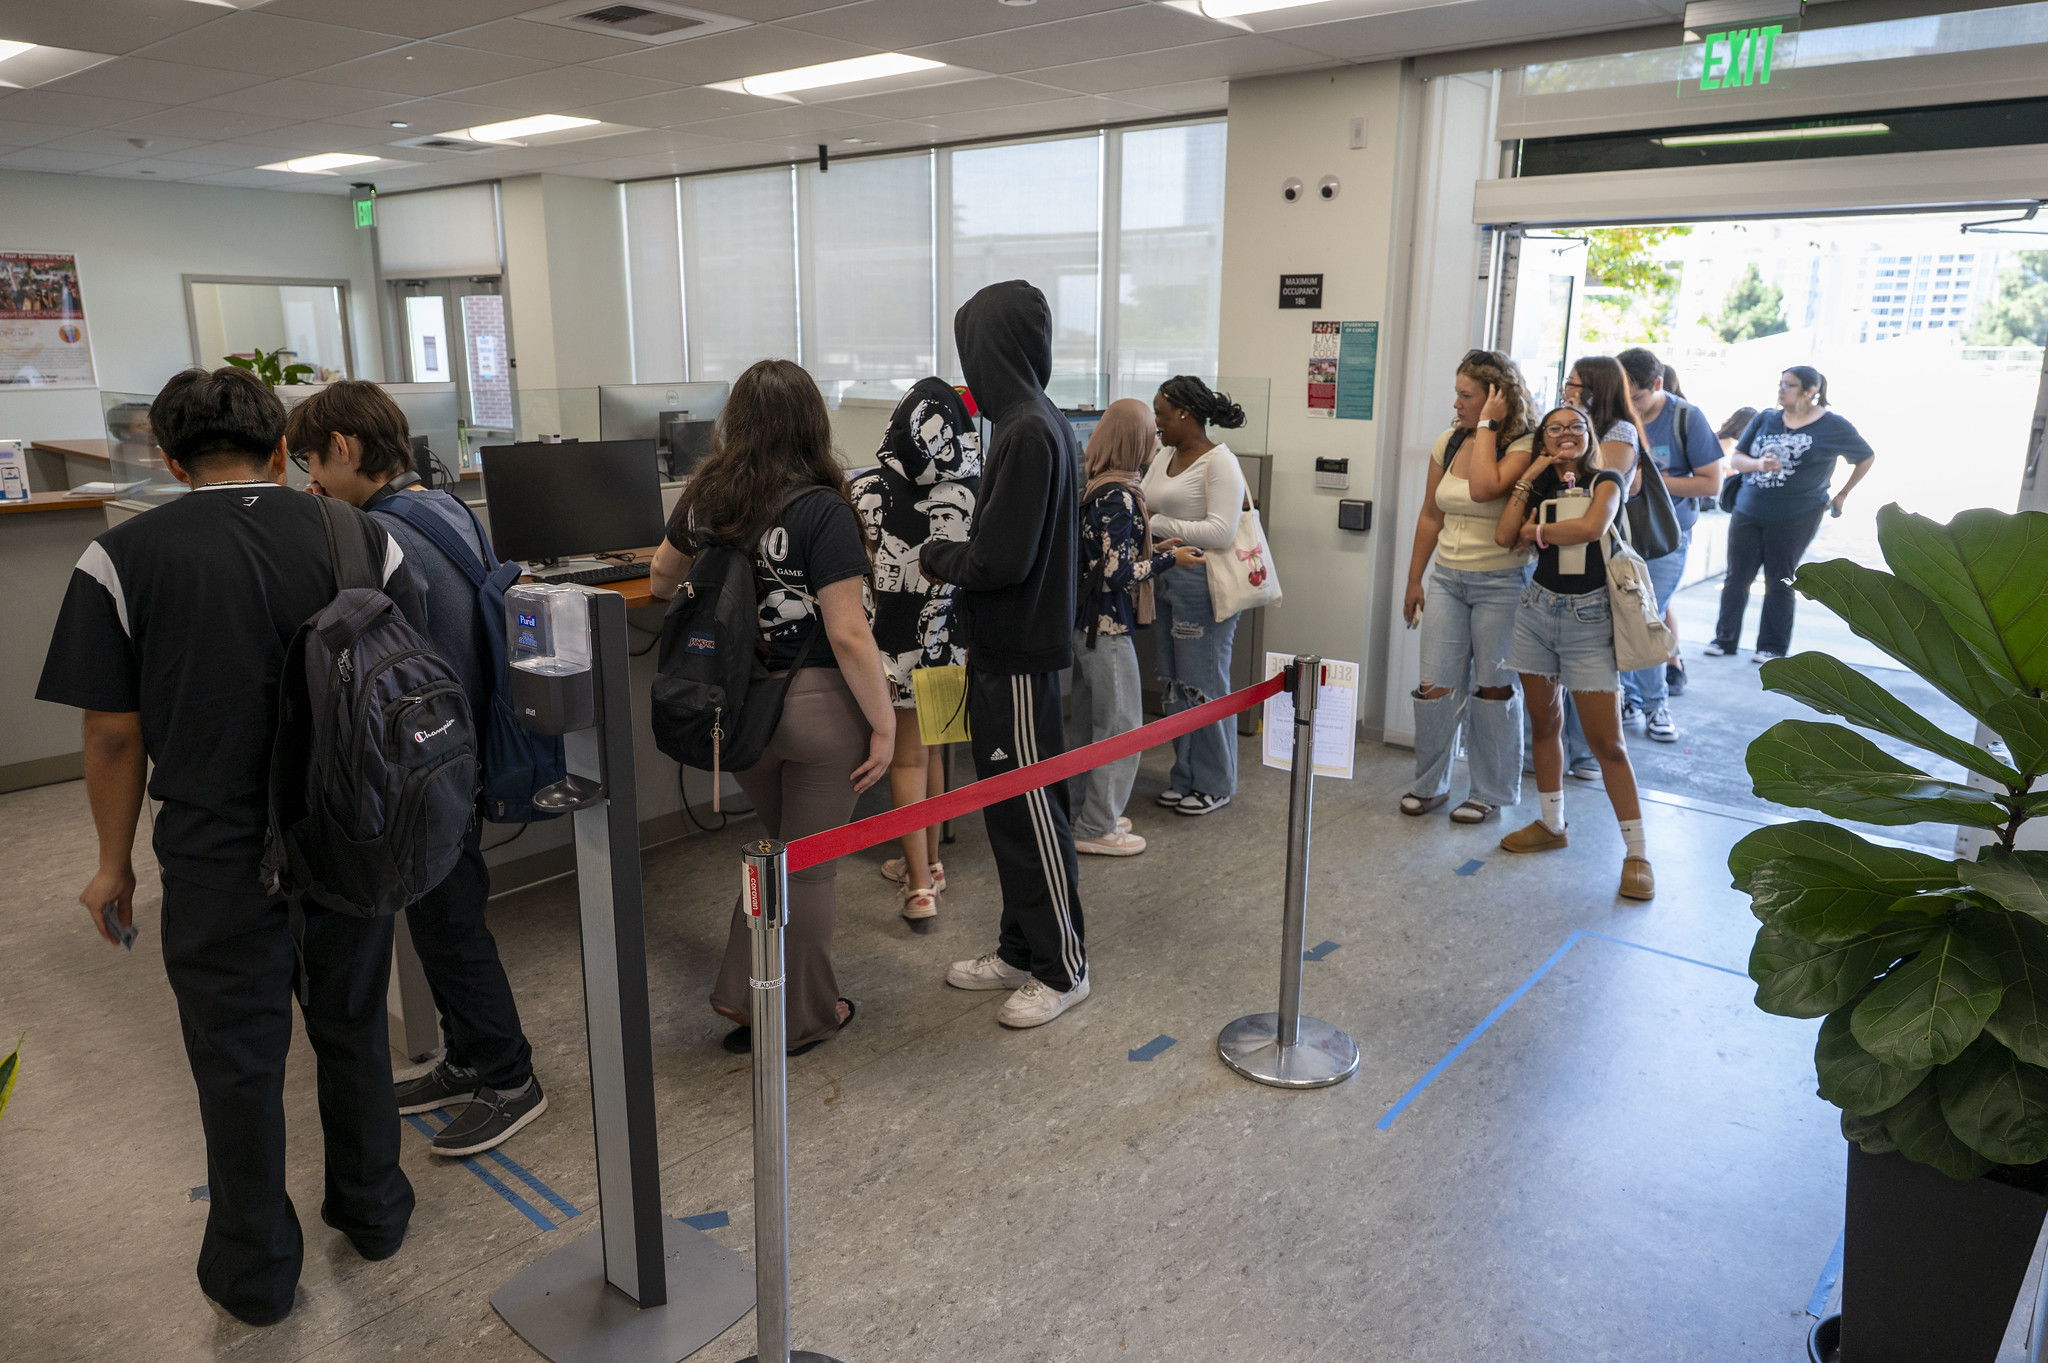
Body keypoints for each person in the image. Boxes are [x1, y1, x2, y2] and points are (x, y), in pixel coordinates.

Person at [37, 367, 424, 1325]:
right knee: (352, 1024)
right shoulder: (363, 535)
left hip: (214, 848)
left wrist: (113, 861)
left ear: (168, 459)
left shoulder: (120, 557)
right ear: (282, 447)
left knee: (237, 1059)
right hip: (348, 830)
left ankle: (256, 1273)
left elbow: (114, 734)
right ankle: (375, 1211)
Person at [284, 381, 546, 1157]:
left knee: (452, 921)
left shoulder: (372, 535)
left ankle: (510, 1076)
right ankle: (468, 1053)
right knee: (442, 915)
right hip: (461, 744)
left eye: (312, 461)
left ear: (344, 446)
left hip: (427, 759)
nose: (310, 482)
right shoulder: (443, 506)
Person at [648, 359, 894, 1054]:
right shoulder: (823, 508)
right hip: (818, 708)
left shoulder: (707, 494)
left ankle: (753, 996)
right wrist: (883, 720)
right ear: (812, 423)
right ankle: (800, 1017)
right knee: (807, 867)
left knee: (778, 857)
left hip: (743, 712)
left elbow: (663, 579)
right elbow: (848, 632)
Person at [921, 279, 1090, 1029]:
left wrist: (940, 556)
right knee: (1011, 815)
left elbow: (1000, 560)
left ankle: (1063, 967)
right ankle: (1021, 949)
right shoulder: (1034, 423)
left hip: (1018, 653)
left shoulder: (1026, 430)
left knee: (1032, 814)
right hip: (1008, 649)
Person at [1493, 405, 1654, 902]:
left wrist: (1535, 533)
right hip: (1537, 613)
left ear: (1590, 434)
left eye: (1574, 427)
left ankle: (1637, 854)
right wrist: (1533, 474)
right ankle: (1551, 823)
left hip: (1590, 620)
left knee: (1608, 745)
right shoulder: (1540, 484)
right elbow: (1504, 536)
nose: (1565, 434)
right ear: (1543, 438)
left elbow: (1589, 528)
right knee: (1544, 725)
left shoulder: (1608, 477)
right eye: (1554, 429)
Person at [847, 378, 981, 920]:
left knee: (907, 758)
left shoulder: (862, 490)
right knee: (934, 752)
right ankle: (928, 861)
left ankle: (919, 885)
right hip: (949, 645)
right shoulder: (973, 492)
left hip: (890, 649)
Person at [1400, 349, 1538, 823]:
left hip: (1502, 583)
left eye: (1467, 395)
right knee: (1435, 686)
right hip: (1447, 580)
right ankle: (1430, 785)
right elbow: (1430, 514)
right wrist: (1414, 578)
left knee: (1493, 689)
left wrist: (1488, 427)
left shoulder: (1524, 444)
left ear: (1496, 398)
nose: (1456, 403)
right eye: (1456, 394)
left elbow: (1484, 489)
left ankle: (1490, 792)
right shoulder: (1448, 442)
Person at [1070, 398, 1204, 856]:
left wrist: (1150, 545)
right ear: (1132, 439)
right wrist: (1170, 559)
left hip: (1086, 625)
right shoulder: (1120, 495)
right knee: (1122, 727)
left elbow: (1108, 555)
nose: (1155, 439)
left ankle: (1086, 812)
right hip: (1104, 629)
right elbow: (1115, 574)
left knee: (1092, 725)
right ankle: (1096, 826)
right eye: (1149, 432)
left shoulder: (1099, 485)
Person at [1708, 367, 1876, 662]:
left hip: (1796, 514)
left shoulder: (1832, 425)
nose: (1781, 389)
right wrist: (1759, 464)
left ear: (1811, 391)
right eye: (1780, 383)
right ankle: (1724, 640)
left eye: (1790, 385)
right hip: (1748, 508)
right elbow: (1736, 457)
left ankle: (1771, 647)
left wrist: (1842, 493)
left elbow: (1865, 457)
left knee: (1779, 579)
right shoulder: (1765, 418)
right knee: (1737, 576)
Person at [1145, 375, 1250, 817]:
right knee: (1173, 684)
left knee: (1203, 684)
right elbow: (1144, 501)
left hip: (1203, 587)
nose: (1157, 424)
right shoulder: (1165, 454)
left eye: (1162, 415)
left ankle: (1215, 781)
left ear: (1185, 414)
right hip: (1167, 579)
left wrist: (1158, 526)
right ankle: (1184, 773)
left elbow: (1220, 532)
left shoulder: (1219, 463)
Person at [1614, 347, 1723, 737]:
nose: (1631, 406)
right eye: (1624, 397)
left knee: (1645, 618)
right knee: (1620, 617)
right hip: (1618, 535)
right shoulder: (1614, 412)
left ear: (1658, 385)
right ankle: (1626, 697)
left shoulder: (1686, 418)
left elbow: (1712, 482)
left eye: (1637, 397)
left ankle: (1655, 706)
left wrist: (1650, 482)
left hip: (1666, 537)